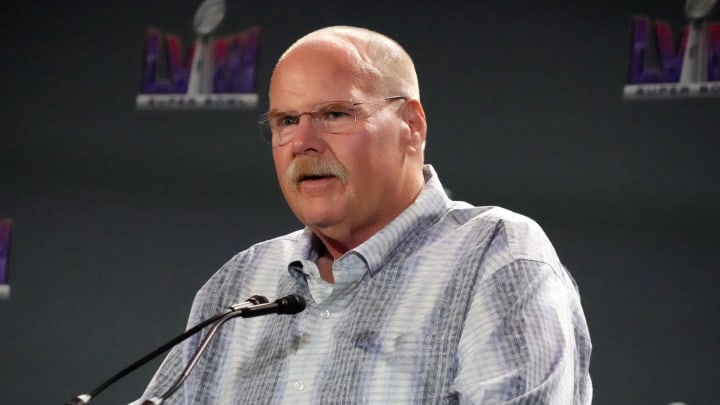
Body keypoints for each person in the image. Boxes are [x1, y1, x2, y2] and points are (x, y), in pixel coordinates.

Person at [137, 25, 592, 404]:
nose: (303, 142)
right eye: (286, 121)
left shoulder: (494, 255)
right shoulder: (240, 282)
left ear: (411, 127)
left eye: (335, 114)